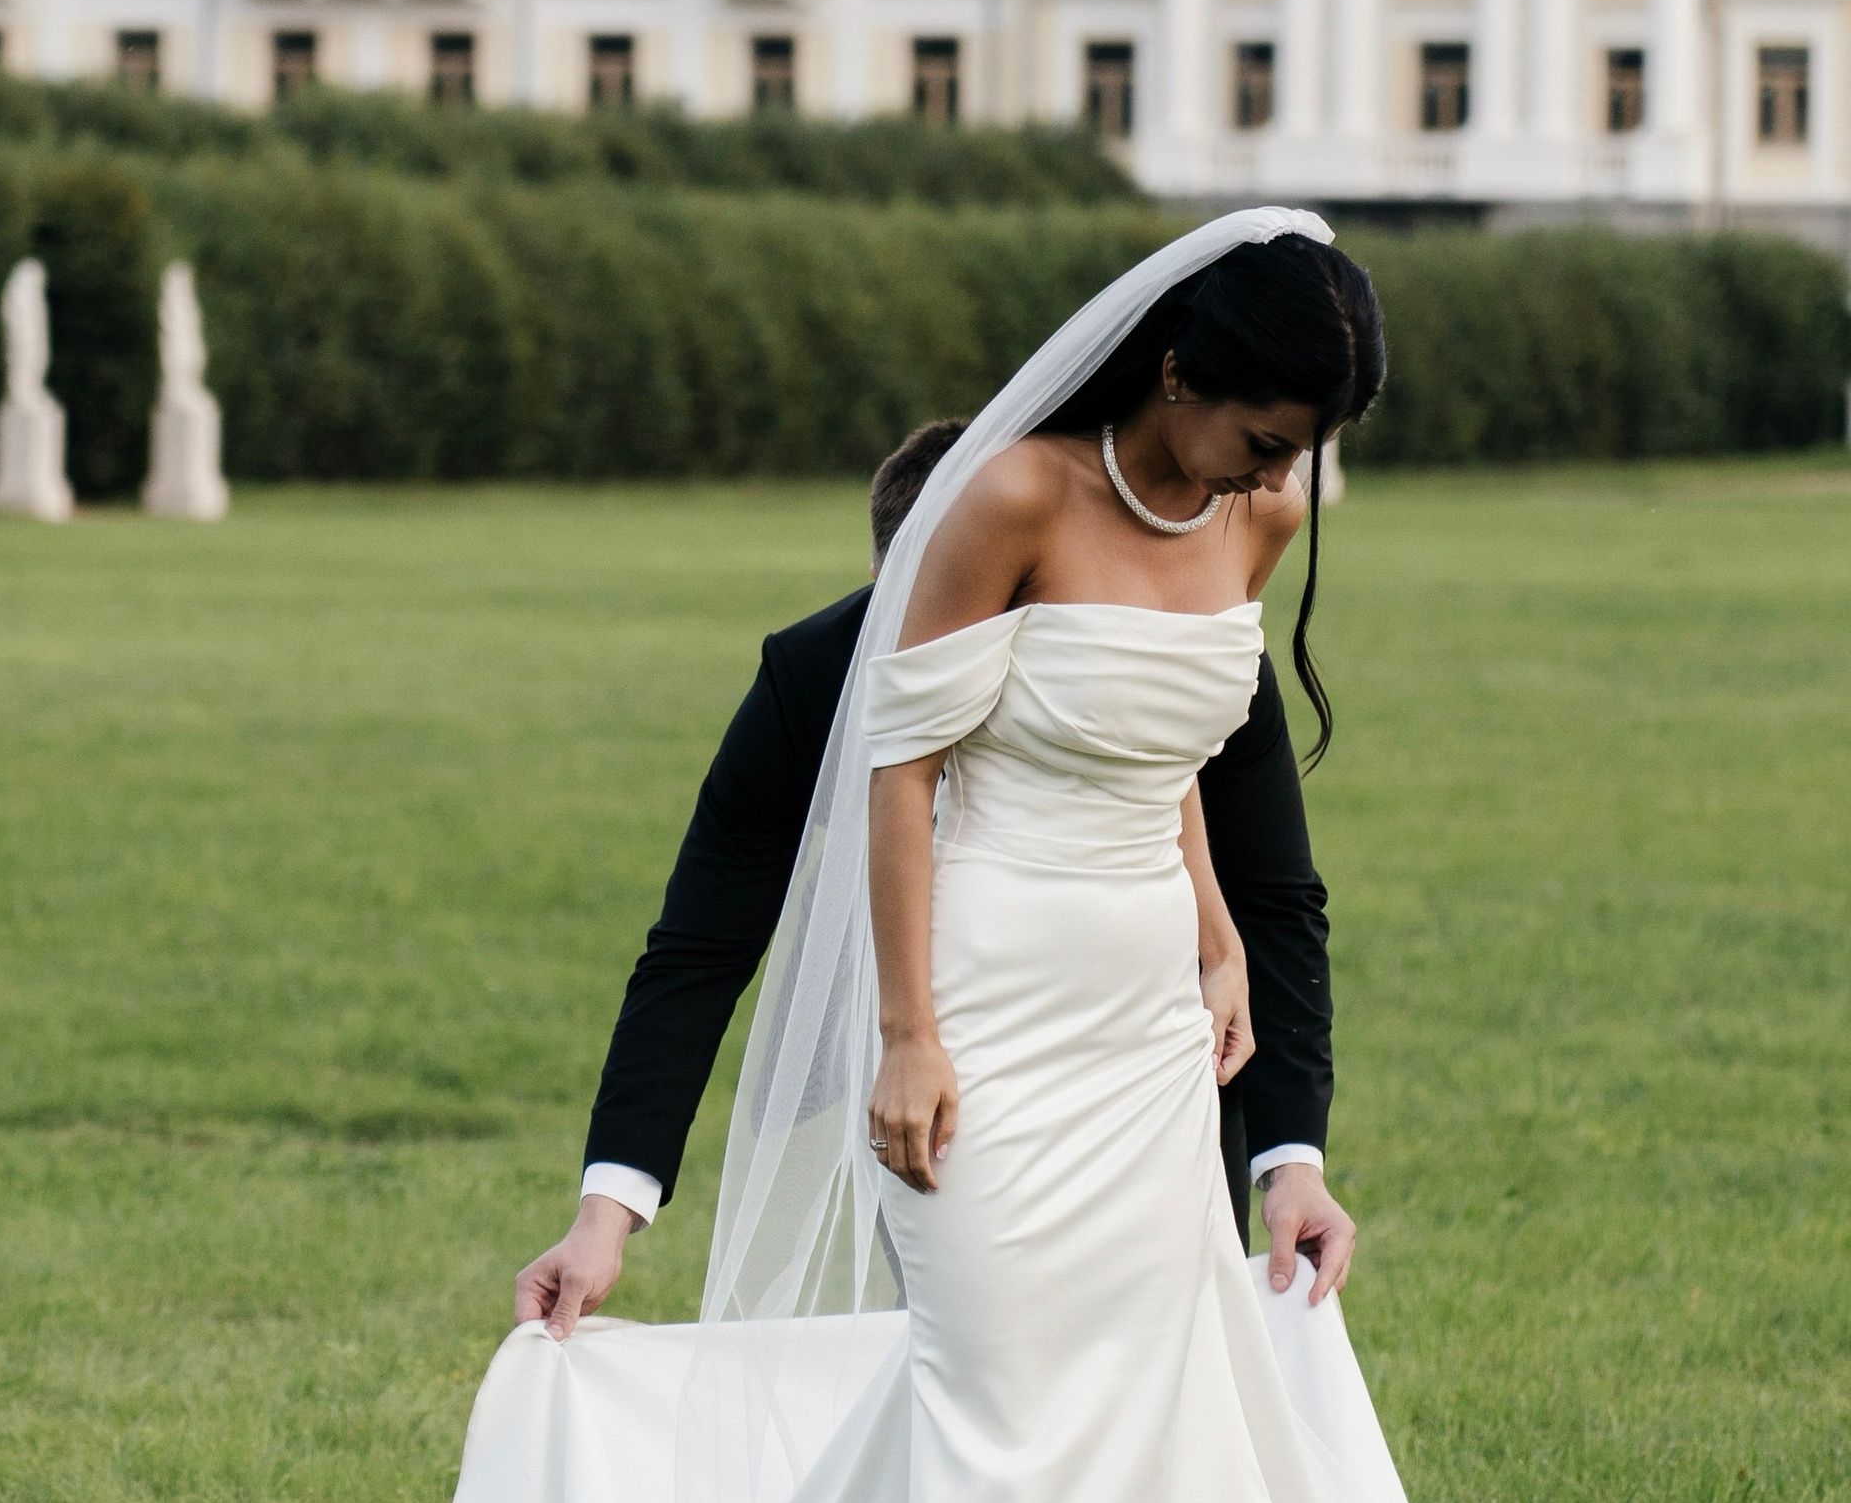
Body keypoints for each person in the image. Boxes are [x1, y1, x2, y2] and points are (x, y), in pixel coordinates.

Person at [447, 209, 1520, 1503]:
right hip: (974, 1042)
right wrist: (621, 1199)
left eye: (1301, 451)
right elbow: (701, 943)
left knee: (1135, 1416)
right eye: (1268, 435)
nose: (1287, 476)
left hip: (1145, 1045)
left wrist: (1265, 1079)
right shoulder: (840, 660)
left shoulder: (1245, 519)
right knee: (999, 1401)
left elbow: (1236, 830)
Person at [514, 413, 1351, 1344]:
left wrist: (1291, 1161)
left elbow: (1275, 894)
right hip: (948, 1072)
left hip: (1155, 1062)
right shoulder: (813, 676)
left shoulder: (1174, 647)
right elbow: (698, 948)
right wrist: (607, 1207)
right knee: (980, 1370)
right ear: (887, 586)